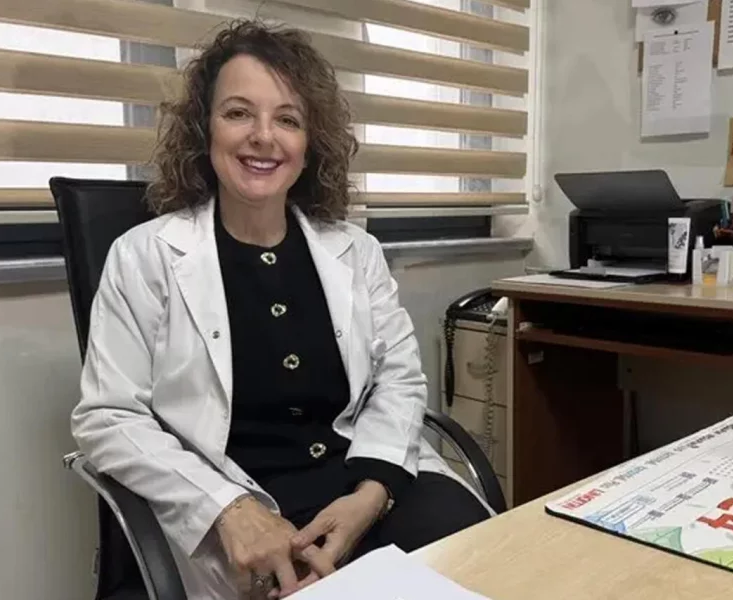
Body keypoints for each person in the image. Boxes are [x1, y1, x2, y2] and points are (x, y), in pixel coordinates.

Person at [70, 20, 490, 599]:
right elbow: (109, 416)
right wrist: (229, 510)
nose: (263, 137)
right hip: (244, 508)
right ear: (204, 128)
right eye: (238, 113)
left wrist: (370, 497)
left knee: (490, 565)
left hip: (366, 484)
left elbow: (399, 379)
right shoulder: (144, 256)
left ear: (309, 142)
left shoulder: (355, 251)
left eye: (287, 119)